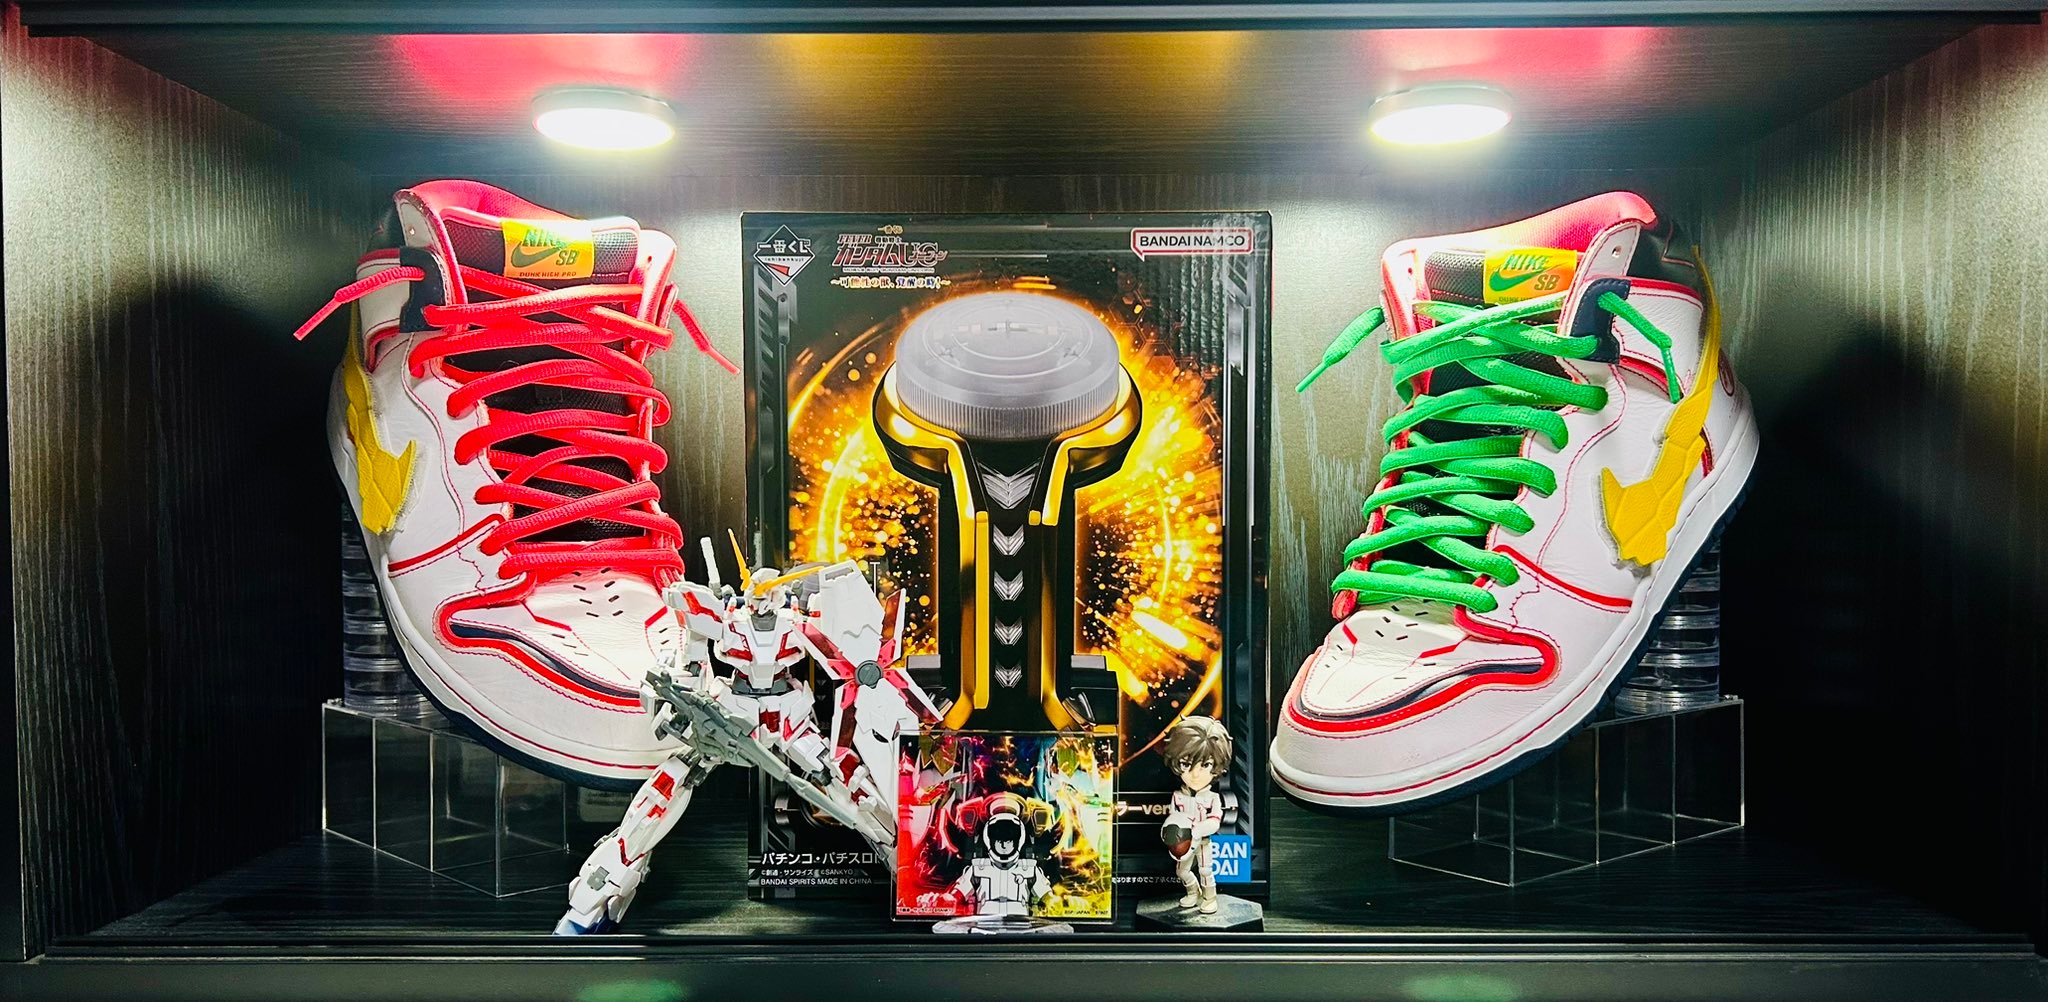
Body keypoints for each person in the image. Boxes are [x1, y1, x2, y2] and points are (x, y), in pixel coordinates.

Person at [1159, 716, 1231, 913]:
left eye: (1205, 765)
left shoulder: (1212, 798)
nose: (1195, 774)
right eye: (1186, 764)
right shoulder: (1178, 796)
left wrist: (1198, 829)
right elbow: (1173, 817)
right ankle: (1193, 893)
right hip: (1183, 842)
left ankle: (1210, 898)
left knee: (1205, 870)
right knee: (1182, 871)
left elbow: (1215, 821)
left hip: (1203, 841)